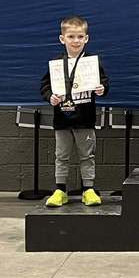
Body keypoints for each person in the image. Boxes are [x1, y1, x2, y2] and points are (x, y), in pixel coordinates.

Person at [40, 16, 108, 208]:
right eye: (71, 36)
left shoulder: (92, 63)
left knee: (87, 156)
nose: (76, 40)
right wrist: (50, 97)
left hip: (84, 119)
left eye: (80, 36)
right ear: (62, 39)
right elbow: (45, 86)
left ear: (86, 38)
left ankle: (88, 189)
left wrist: (102, 88)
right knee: (61, 156)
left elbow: (105, 82)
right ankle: (60, 190)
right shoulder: (55, 64)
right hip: (62, 119)